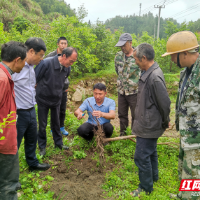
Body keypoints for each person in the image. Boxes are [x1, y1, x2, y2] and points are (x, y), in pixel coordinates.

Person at [162, 31, 200, 200]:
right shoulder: (186, 72)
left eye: (173, 56)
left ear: (185, 53)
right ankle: (183, 195)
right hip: (187, 133)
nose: (171, 60)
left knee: (194, 171)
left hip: (196, 136)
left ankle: (190, 197)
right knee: (185, 167)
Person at [130, 43, 171, 197]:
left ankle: (145, 187)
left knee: (141, 156)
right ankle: (153, 177)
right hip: (148, 121)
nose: (135, 62)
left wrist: (165, 120)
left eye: (136, 59)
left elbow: (165, 103)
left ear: (144, 58)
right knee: (151, 151)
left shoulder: (154, 77)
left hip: (148, 125)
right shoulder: (149, 72)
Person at [12, 38, 50, 172]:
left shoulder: (32, 68)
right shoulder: (16, 67)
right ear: (31, 51)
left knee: (31, 139)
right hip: (18, 112)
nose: (41, 58)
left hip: (31, 109)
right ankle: (11, 176)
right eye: (40, 55)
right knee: (14, 144)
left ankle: (33, 163)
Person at [35, 47, 78, 156]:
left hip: (56, 99)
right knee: (42, 125)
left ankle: (58, 143)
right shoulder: (45, 63)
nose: (71, 64)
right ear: (64, 56)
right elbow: (35, 78)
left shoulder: (67, 68)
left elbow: (63, 80)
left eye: (74, 62)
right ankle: (42, 147)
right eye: (71, 61)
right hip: (43, 99)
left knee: (56, 123)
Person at [0, 41, 26, 200]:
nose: (24, 65)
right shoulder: (2, 79)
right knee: (8, 185)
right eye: (23, 61)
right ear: (17, 60)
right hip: (3, 142)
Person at [115, 33, 140, 136]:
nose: (122, 48)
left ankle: (134, 134)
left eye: (124, 45)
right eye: (121, 46)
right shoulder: (118, 56)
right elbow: (117, 70)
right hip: (121, 90)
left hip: (134, 91)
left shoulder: (138, 56)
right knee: (122, 114)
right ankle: (123, 134)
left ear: (130, 43)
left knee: (136, 114)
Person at [46, 37, 69, 136]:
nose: (63, 45)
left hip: (63, 87)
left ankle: (61, 127)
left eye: (65, 43)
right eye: (61, 43)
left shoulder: (68, 55)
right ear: (58, 44)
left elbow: (68, 71)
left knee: (63, 108)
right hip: (53, 88)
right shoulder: (51, 56)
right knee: (54, 109)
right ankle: (53, 128)